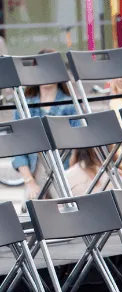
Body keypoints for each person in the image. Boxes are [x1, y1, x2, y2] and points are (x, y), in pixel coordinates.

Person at [12, 49, 78, 202]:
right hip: (35, 172)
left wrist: (72, 176)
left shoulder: (70, 104)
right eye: (41, 68)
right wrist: (29, 181)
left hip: (65, 170)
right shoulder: (24, 105)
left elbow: (79, 148)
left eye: (50, 68)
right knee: (34, 214)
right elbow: (18, 146)